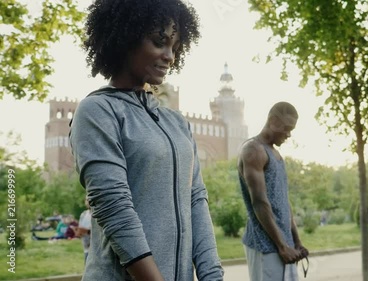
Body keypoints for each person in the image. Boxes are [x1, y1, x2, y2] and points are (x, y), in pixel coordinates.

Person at [69, 1, 223, 280]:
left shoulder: (177, 124)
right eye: (158, 42)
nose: (169, 56)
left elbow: (196, 202)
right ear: (125, 38)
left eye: (175, 48)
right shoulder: (98, 111)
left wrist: (213, 276)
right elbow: (113, 208)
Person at [238, 102, 309, 281]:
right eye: (286, 128)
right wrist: (282, 246)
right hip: (265, 245)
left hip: (284, 245)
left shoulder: (275, 154)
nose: (289, 134)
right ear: (273, 121)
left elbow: (284, 202)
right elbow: (259, 202)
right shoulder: (253, 150)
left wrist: (296, 242)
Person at [77, 196, 92, 264]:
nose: (88, 202)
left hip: (95, 249)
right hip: (86, 248)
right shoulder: (83, 214)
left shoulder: (98, 214)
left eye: (89, 199)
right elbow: (80, 228)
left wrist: (88, 231)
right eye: (86, 200)